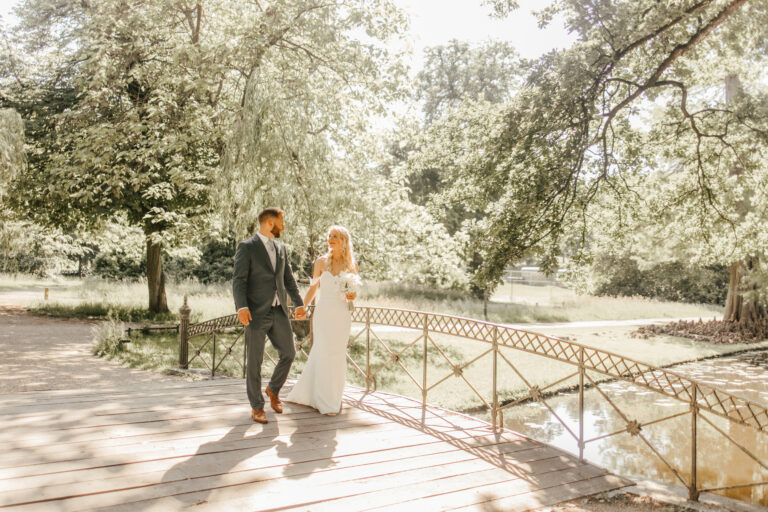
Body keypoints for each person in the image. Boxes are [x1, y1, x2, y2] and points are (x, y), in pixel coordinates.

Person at [232, 207, 306, 424]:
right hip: (255, 312)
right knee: (254, 361)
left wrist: (299, 303)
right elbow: (239, 280)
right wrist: (241, 306)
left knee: (289, 353)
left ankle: (273, 389)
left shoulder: (281, 247)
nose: (284, 226)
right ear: (270, 223)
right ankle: (257, 406)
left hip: (279, 310)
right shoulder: (247, 247)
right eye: (281, 221)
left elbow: (288, 279)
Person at [286, 226, 358, 415]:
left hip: (342, 314)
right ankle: (322, 399)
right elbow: (312, 289)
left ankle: (333, 396)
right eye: (329, 236)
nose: (331, 239)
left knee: (336, 354)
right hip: (324, 312)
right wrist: (302, 307)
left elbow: (354, 294)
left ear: (343, 240)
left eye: (335, 236)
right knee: (323, 351)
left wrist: (351, 295)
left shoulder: (351, 265)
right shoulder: (320, 262)